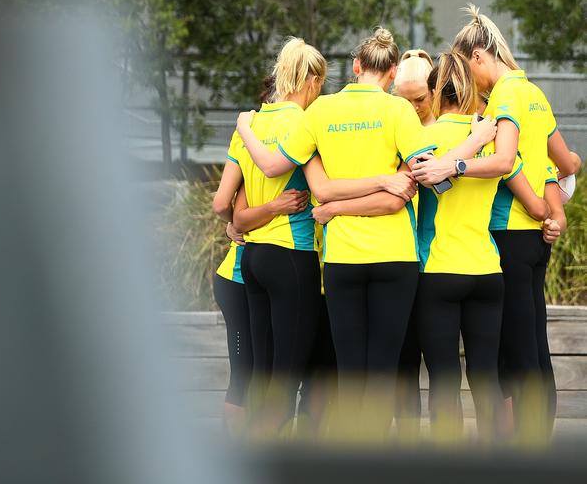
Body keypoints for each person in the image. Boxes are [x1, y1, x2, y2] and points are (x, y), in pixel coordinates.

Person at [238, 28, 497, 440]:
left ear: (355, 66)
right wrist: (475, 140)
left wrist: (245, 127)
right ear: (393, 72)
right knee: (382, 372)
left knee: (350, 370)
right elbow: (423, 176)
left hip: (341, 259)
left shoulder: (320, 112)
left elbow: (277, 169)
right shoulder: (399, 113)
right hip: (396, 258)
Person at [449, 4, 582, 442]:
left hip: (507, 235)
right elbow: (569, 163)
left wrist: (457, 166)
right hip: (535, 242)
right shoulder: (535, 93)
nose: (472, 86)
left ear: (477, 58)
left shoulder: (505, 95)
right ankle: (535, 446)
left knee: (517, 353)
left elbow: (504, 160)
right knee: (534, 348)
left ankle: (528, 454)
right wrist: (554, 209)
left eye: (470, 74)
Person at [410, 51, 549, 444]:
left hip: (437, 272)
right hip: (488, 271)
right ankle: (499, 464)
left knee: (444, 381)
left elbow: (415, 182)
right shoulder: (490, 140)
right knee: (487, 377)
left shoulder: (424, 138)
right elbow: (533, 179)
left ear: (436, 94)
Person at [212, 76, 310, 438]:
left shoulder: (250, 131)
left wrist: (236, 225)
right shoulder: (296, 132)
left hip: (239, 273)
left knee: (253, 374)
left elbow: (226, 206)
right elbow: (229, 209)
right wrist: (262, 213)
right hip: (244, 275)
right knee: (254, 375)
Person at [392, 48, 435, 440]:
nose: (412, 108)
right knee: (404, 361)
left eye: (419, 99)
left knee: (441, 366)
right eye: (403, 100)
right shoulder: (391, 127)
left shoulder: (450, 130)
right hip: (402, 259)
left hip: (441, 264)